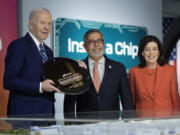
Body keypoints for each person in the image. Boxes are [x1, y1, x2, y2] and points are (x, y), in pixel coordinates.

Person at [64, 29, 135, 119]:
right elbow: (69, 103)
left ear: (104, 44)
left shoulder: (119, 68)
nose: (96, 44)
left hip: (111, 126)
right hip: (84, 126)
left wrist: (129, 123)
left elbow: (127, 100)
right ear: (84, 46)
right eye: (91, 42)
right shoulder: (76, 69)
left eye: (99, 41)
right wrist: (69, 126)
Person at [3, 8, 61, 117]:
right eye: (42, 22)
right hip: (24, 114)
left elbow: (50, 79)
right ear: (31, 24)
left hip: (47, 113)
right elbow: (9, 81)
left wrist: (70, 75)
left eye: (49, 23)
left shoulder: (49, 51)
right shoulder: (18, 46)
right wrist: (40, 86)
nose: (47, 27)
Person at [129, 35, 180, 117]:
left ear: (159, 52)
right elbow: (132, 100)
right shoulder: (134, 72)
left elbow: (175, 98)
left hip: (165, 121)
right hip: (142, 121)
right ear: (142, 53)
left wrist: (177, 118)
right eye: (147, 49)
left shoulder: (170, 70)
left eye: (154, 49)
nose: (151, 53)